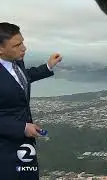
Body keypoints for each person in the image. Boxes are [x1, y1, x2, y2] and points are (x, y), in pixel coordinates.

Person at [0, 22, 62, 179]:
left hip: (24, 144)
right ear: (0, 49)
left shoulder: (16, 61)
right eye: (17, 45)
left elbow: (21, 78)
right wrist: (21, 128)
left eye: (22, 42)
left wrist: (48, 66)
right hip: (4, 149)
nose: (24, 48)